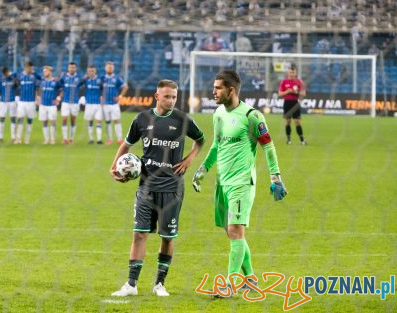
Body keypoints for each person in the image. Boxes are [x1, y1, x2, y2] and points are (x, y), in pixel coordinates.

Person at [192, 70, 287, 297]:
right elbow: (216, 145)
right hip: (222, 183)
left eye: (217, 88)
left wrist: (276, 177)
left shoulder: (252, 116)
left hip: (242, 183)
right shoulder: (218, 114)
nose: (213, 92)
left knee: (235, 230)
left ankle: (229, 285)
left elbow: (268, 146)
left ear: (231, 90)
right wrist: (203, 169)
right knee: (232, 233)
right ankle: (251, 279)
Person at [110, 79, 205, 297]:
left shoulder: (182, 119)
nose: (171, 100)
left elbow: (200, 140)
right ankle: (131, 285)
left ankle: (159, 284)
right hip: (147, 186)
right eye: (167, 96)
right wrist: (114, 166)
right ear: (157, 96)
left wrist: (190, 159)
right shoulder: (142, 119)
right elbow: (126, 145)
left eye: (174, 96)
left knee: (167, 237)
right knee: (139, 235)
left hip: (172, 189)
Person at [278, 65, 306, 145]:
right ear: (288, 72)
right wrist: (288, 91)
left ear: (295, 73)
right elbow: (280, 94)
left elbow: (303, 93)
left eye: (293, 72)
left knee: (297, 122)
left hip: (295, 103)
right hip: (287, 103)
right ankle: (288, 140)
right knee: (288, 122)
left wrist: (296, 92)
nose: (291, 74)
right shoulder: (284, 82)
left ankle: (302, 140)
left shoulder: (299, 82)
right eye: (290, 72)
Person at [101, 61, 128, 145]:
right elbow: (97, 88)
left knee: (116, 121)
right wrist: (100, 96)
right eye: (108, 67)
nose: (110, 68)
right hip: (105, 104)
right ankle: (109, 139)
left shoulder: (117, 78)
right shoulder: (102, 78)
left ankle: (119, 139)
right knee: (108, 121)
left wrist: (120, 97)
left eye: (111, 67)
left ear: (113, 68)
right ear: (105, 68)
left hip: (114, 104)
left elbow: (125, 87)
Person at [16, 61, 41, 144]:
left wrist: (38, 96)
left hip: (31, 102)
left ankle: (27, 139)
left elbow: (38, 87)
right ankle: (18, 139)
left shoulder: (35, 76)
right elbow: (16, 83)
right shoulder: (20, 76)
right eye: (28, 67)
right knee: (20, 119)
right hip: (22, 102)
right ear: (25, 67)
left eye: (31, 68)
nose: (30, 69)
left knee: (30, 120)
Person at [59, 62, 84, 144]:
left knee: (73, 120)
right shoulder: (64, 77)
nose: (71, 69)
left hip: (75, 102)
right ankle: (65, 138)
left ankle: (71, 138)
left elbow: (83, 85)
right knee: (64, 119)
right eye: (70, 67)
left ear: (75, 68)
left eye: (73, 67)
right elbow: (60, 85)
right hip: (65, 102)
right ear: (68, 68)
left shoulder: (79, 77)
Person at [38, 66, 61, 144]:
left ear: (50, 72)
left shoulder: (55, 81)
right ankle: (46, 139)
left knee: (53, 121)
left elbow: (61, 90)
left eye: (45, 71)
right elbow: (38, 89)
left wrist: (58, 98)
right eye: (43, 71)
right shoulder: (42, 81)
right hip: (43, 104)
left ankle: (52, 139)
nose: (44, 73)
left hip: (52, 105)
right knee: (44, 121)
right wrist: (38, 98)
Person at [82, 65, 103, 144]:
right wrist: (84, 78)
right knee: (90, 121)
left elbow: (103, 89)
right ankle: (91, 139)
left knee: (98, 121)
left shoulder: (99, 80)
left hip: (97, 104)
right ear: (87, 72)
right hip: (89, 104)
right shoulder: (86, 80)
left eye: (92, 71)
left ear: (95, 71)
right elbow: (78, 83)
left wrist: (102, 97)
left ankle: (99, 139)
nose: (91, 72)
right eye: (89, 71)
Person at [0, 67, 18, 143]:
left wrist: (13, 78)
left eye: (6, 72)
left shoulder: (13, 77)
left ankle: (13, 137)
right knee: (1, 119)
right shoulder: (1, 79)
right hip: (3, 102)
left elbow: (17, 84)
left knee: (13, 119)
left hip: (12, 101)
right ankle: (0, 137)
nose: (5, 74)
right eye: (4, 73)